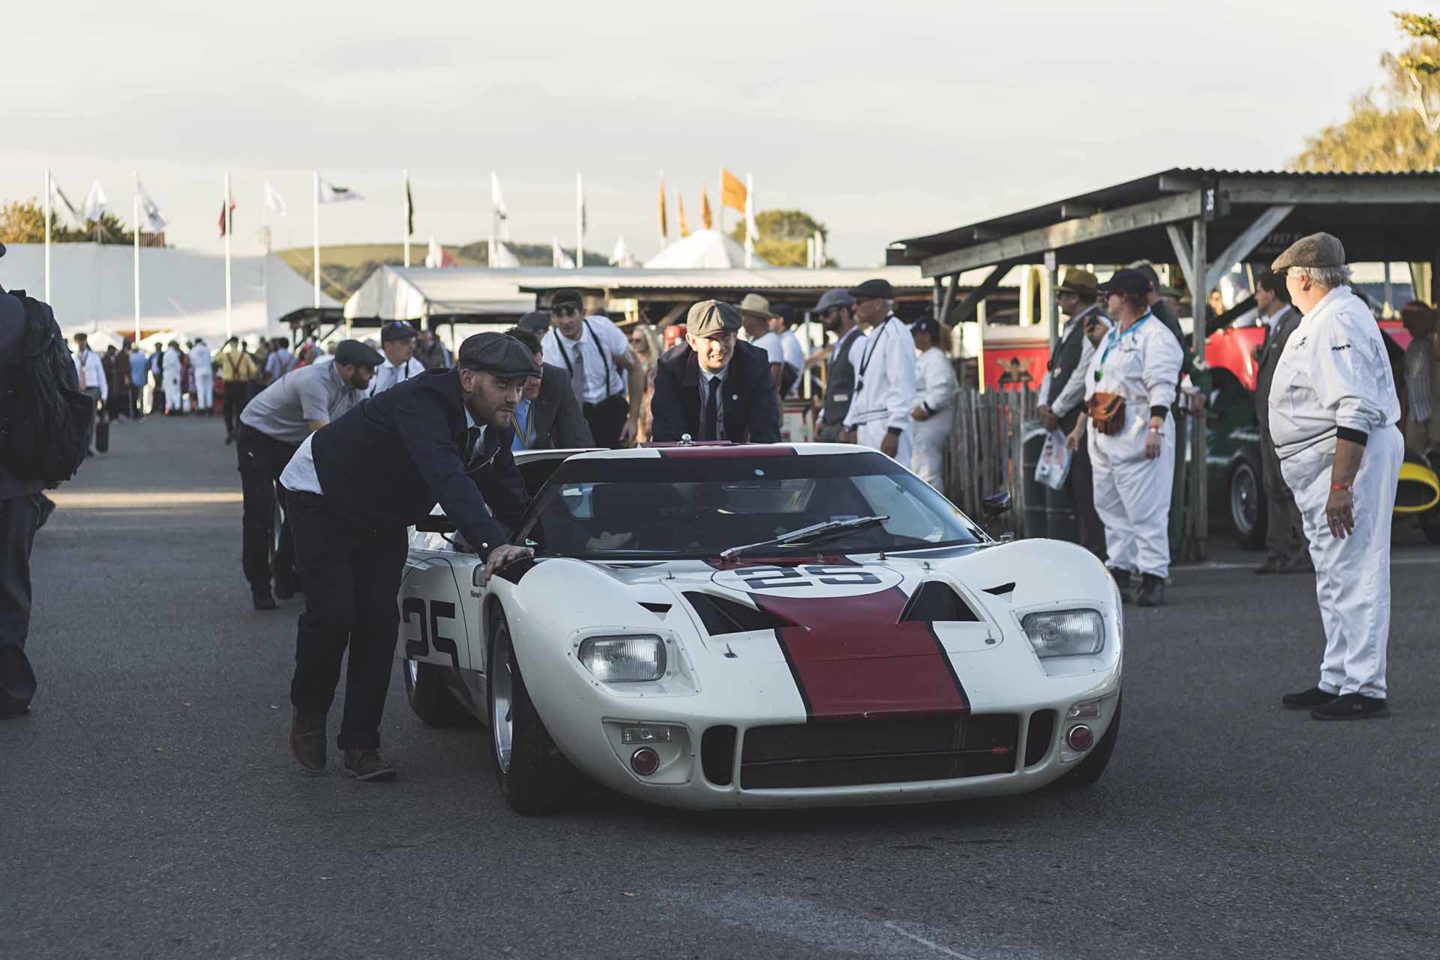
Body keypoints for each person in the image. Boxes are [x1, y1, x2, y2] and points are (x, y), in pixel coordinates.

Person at [282, 333, 537, 781]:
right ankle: (309, 713)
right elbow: (446, 476)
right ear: (468, 378)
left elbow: (508, 489)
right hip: (321, 493)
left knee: (379, 622)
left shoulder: (493, 416)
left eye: (520, 386)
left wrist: (546, 545)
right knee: (335, 614)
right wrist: (491, 544)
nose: (513, 397)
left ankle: (361, 745)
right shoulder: (422, 402)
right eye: (504, 385)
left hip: (382, 510)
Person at [1268, 234, 1404, 721]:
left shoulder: (1337, 320)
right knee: (1334, 573)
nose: (1285, 283)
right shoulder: (1328, 317)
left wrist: (1341, 487)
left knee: (1357, 569)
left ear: (1304, 276)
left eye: (1287, 275)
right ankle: (1340, 676)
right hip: (1326, 463)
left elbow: (1355, 408)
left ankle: (1365, 685)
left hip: (1346, 460)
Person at [1067, 268, 1184, 607]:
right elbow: (1096, 383)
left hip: (1137, 429)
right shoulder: (1112, 336)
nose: (1108, 299)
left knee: (1145, 508)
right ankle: (1120, 567)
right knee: (1110, 505)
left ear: (1127, 297)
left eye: (1112, 293)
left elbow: (1162, 385)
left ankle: (1153, 575)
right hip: (1104, 430)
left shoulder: (1156, 337)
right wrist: (1079, 426)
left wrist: (1155, 428)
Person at [237, 339, 381, 610]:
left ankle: (285, 574)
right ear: (347, 368)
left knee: (300, 503)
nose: (372, 376)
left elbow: (362, 430)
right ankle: (260, 585)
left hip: (290, 441)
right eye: (368, 370)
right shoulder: (314, 382)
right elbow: (324, 439)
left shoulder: (354, 389)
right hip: (258, 435)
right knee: (260, 511)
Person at [0, 256, 76, 719]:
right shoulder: (32, 316)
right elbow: (66, 386)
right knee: (10, 585)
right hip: (19, 474)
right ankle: (11, 689)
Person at [1035, 269, 1108, 557]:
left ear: (1076, 297)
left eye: (1062, 295)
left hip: (1079, 416)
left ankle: (1096, 552)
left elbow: (1084, 375)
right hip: (1063, 417)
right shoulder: (1074, 326)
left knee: (1086, 489)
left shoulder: (1094, 325)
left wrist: (1056, 407)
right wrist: (1045, 401)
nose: (1058, 300)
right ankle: (1086, 549)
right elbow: (1053, 370)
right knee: (1072, 490)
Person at [651, 300, 781, 444]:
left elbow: (766, 426)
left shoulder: (755, 364)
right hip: (686, 458)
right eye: (710, 338)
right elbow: (666, 430)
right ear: (692, 341)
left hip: (738, 457)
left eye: (725, 336)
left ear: (735, 336)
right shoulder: (670, 367)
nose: (719, 347)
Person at [1251, 270, 1309, 575]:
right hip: (1270, 420)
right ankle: (1278, 550)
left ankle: (1306, 550)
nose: (1256, 297)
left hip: (1285, 421)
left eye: (1259, 291)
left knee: (1288, 486)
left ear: (1271, 294)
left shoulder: (1292, 326)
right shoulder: (1275, 328)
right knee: (1272, 484)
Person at [540, 290, 643, 448]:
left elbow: (634, 366)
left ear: (583, 313)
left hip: (611, 408)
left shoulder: (603, 329)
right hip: (574, 414)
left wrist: (633, 419)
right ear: (552, 317)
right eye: (559, 315)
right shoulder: (548, 347)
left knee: (615, 465)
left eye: (570, 314)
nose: (565, 321)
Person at [842, 278, 916, 466]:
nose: (854, 308)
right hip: (869, 424)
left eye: (859, 302)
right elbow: (862, 386)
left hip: (885, 424)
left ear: (877, 303)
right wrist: (852, 424)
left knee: (890, 491)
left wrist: (894, 430)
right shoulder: (874, 334)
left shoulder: (896, 334)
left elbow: (901, 383)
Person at [505, 327, 594, 450]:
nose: (536, 380)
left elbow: (577, 437)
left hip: (536, 464)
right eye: (528, 372)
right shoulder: (491, 386)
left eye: (539, 368)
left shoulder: (555, 380)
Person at [909, 317, 959, 490]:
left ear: (926, 336)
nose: (914, 338)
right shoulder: (926, 357)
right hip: (920, 427)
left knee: (927, 473)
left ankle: (932, 516)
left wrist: (925, 409)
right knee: (918, 471)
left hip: (929, 425)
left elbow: (943, 388)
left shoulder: (936, 358)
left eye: (916, 334)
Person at [810, 288, 867, 442]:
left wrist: (850, 426)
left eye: (827, 313)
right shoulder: (838, 346)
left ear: (843, 312)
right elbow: (832, 388)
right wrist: (822, 418)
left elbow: (861, 389)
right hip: (831, 423)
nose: (822, 318)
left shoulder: (859, 343)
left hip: (844, 426)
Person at [1399, 301, 1439, 452]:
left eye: (1410, 322)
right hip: (1414, 419)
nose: (1405, 326)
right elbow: (1407, 385)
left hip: (1430, 417)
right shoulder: (1413, 347)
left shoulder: (1433, 346)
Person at [738, 293, 789, 401]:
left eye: (744, 316)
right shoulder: (754, 340)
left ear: (754, 319)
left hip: (764, 403)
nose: (742, 321)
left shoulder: (771, 341)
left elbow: (774, 377)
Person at [369, 322, 426, 396]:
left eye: (412, 342)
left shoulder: (415, 367)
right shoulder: (372, 365)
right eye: (405, 343)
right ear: (388, 346)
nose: (412, 346)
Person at [71, 333, 106, 456]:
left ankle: (88, 445)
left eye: (82, 341)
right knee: (78, 419)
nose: (80, 344)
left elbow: (101, 375)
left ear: (85, 342)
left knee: (90, 418)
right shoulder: (74, 358)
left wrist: (104, 393)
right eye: (78, 342)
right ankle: (80, 445)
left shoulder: (93, 357)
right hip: (79, 391)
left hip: (92, 389)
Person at [218, 337, 257, 443]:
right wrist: (248, 376)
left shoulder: (225, 355)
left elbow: (215, 359)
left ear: (230, 344)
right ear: (238, 343)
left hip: (229, 384)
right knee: (240, 408)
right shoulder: (244, 356)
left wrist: (223, 346)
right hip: (241, 384)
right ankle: (238, 430)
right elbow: (254, 370)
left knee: (227, 408)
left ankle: (230, 430)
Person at [189, 337, 213, 416]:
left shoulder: (193, 350)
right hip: (208, 370)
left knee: (200, 390)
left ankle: (201, 407)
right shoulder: (207, 349)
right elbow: (210, 360)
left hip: (199, 371)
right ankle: (209, 407)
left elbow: (192, 363)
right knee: (208, 390)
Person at [128, 344, 149, 418]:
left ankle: (133, 412)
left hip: (133, 380)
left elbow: (129, 370)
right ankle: (141, 411)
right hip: (141, 379)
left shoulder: (130, 358)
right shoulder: (143, 358)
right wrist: (146, 378)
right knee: (141, 397)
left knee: (133, 397)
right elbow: (147, 368)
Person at [162, 340, 183, 414]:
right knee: (175, 391)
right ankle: (177, 407)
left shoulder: (167, 353)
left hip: (167, 374)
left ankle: (169, 407)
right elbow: (175, 366)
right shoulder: (173, 354)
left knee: (168, 392)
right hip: (173, 374)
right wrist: (175, 376)